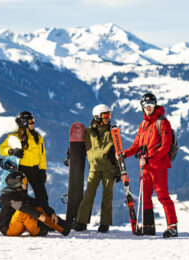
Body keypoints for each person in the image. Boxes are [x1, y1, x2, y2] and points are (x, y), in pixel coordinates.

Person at [122, 93, 178, 238]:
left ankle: (172, 227)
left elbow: (165, 146)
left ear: (155, 105)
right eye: (145, 106)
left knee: (163, 196)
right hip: (145, 167)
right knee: (144, 196)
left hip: (158, 166)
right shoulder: (143, 124)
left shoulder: (163, 122)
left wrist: (149, 158)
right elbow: (136, 145)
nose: (148, 108)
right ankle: (148, 226)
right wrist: (124, 154)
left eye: (151, 105)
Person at [75, 104, 118, 233]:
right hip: (94, 168)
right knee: (89, 195)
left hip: (109, 168)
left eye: (109, 115)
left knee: (107, 196)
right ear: (97, 116)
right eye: (105, 115)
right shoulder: (89, 132)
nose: (108, 118)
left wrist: (120, 170)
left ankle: (105, 224)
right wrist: (71, 153)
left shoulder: (112, 131)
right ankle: (81, 222)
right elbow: (82, 148)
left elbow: (118, 151)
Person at [0, 111, 49, 210]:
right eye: (30, 121)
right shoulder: (14, 137)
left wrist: (43, 170)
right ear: (24, 123)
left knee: (42, 194)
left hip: (35, 169)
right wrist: (11, 151)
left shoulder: (37, 137)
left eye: (33, 121)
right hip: (21, 169)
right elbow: (1, 149)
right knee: (22, 195)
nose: (33, 124)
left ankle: (44, 216)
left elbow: (42, 155)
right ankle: (23, 218)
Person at [0, 171, 70, 236]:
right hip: (8, 229)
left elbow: (38, 204)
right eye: (24, 181)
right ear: (17, 184)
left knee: (38, 208)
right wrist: (38, 215)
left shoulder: (20, 194)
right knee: (24, 211)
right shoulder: (8, 197)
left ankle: (63, 227)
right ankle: (37, 230)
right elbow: (22, 207)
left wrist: (51, 213)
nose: (26, 183)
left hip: (17, 223)